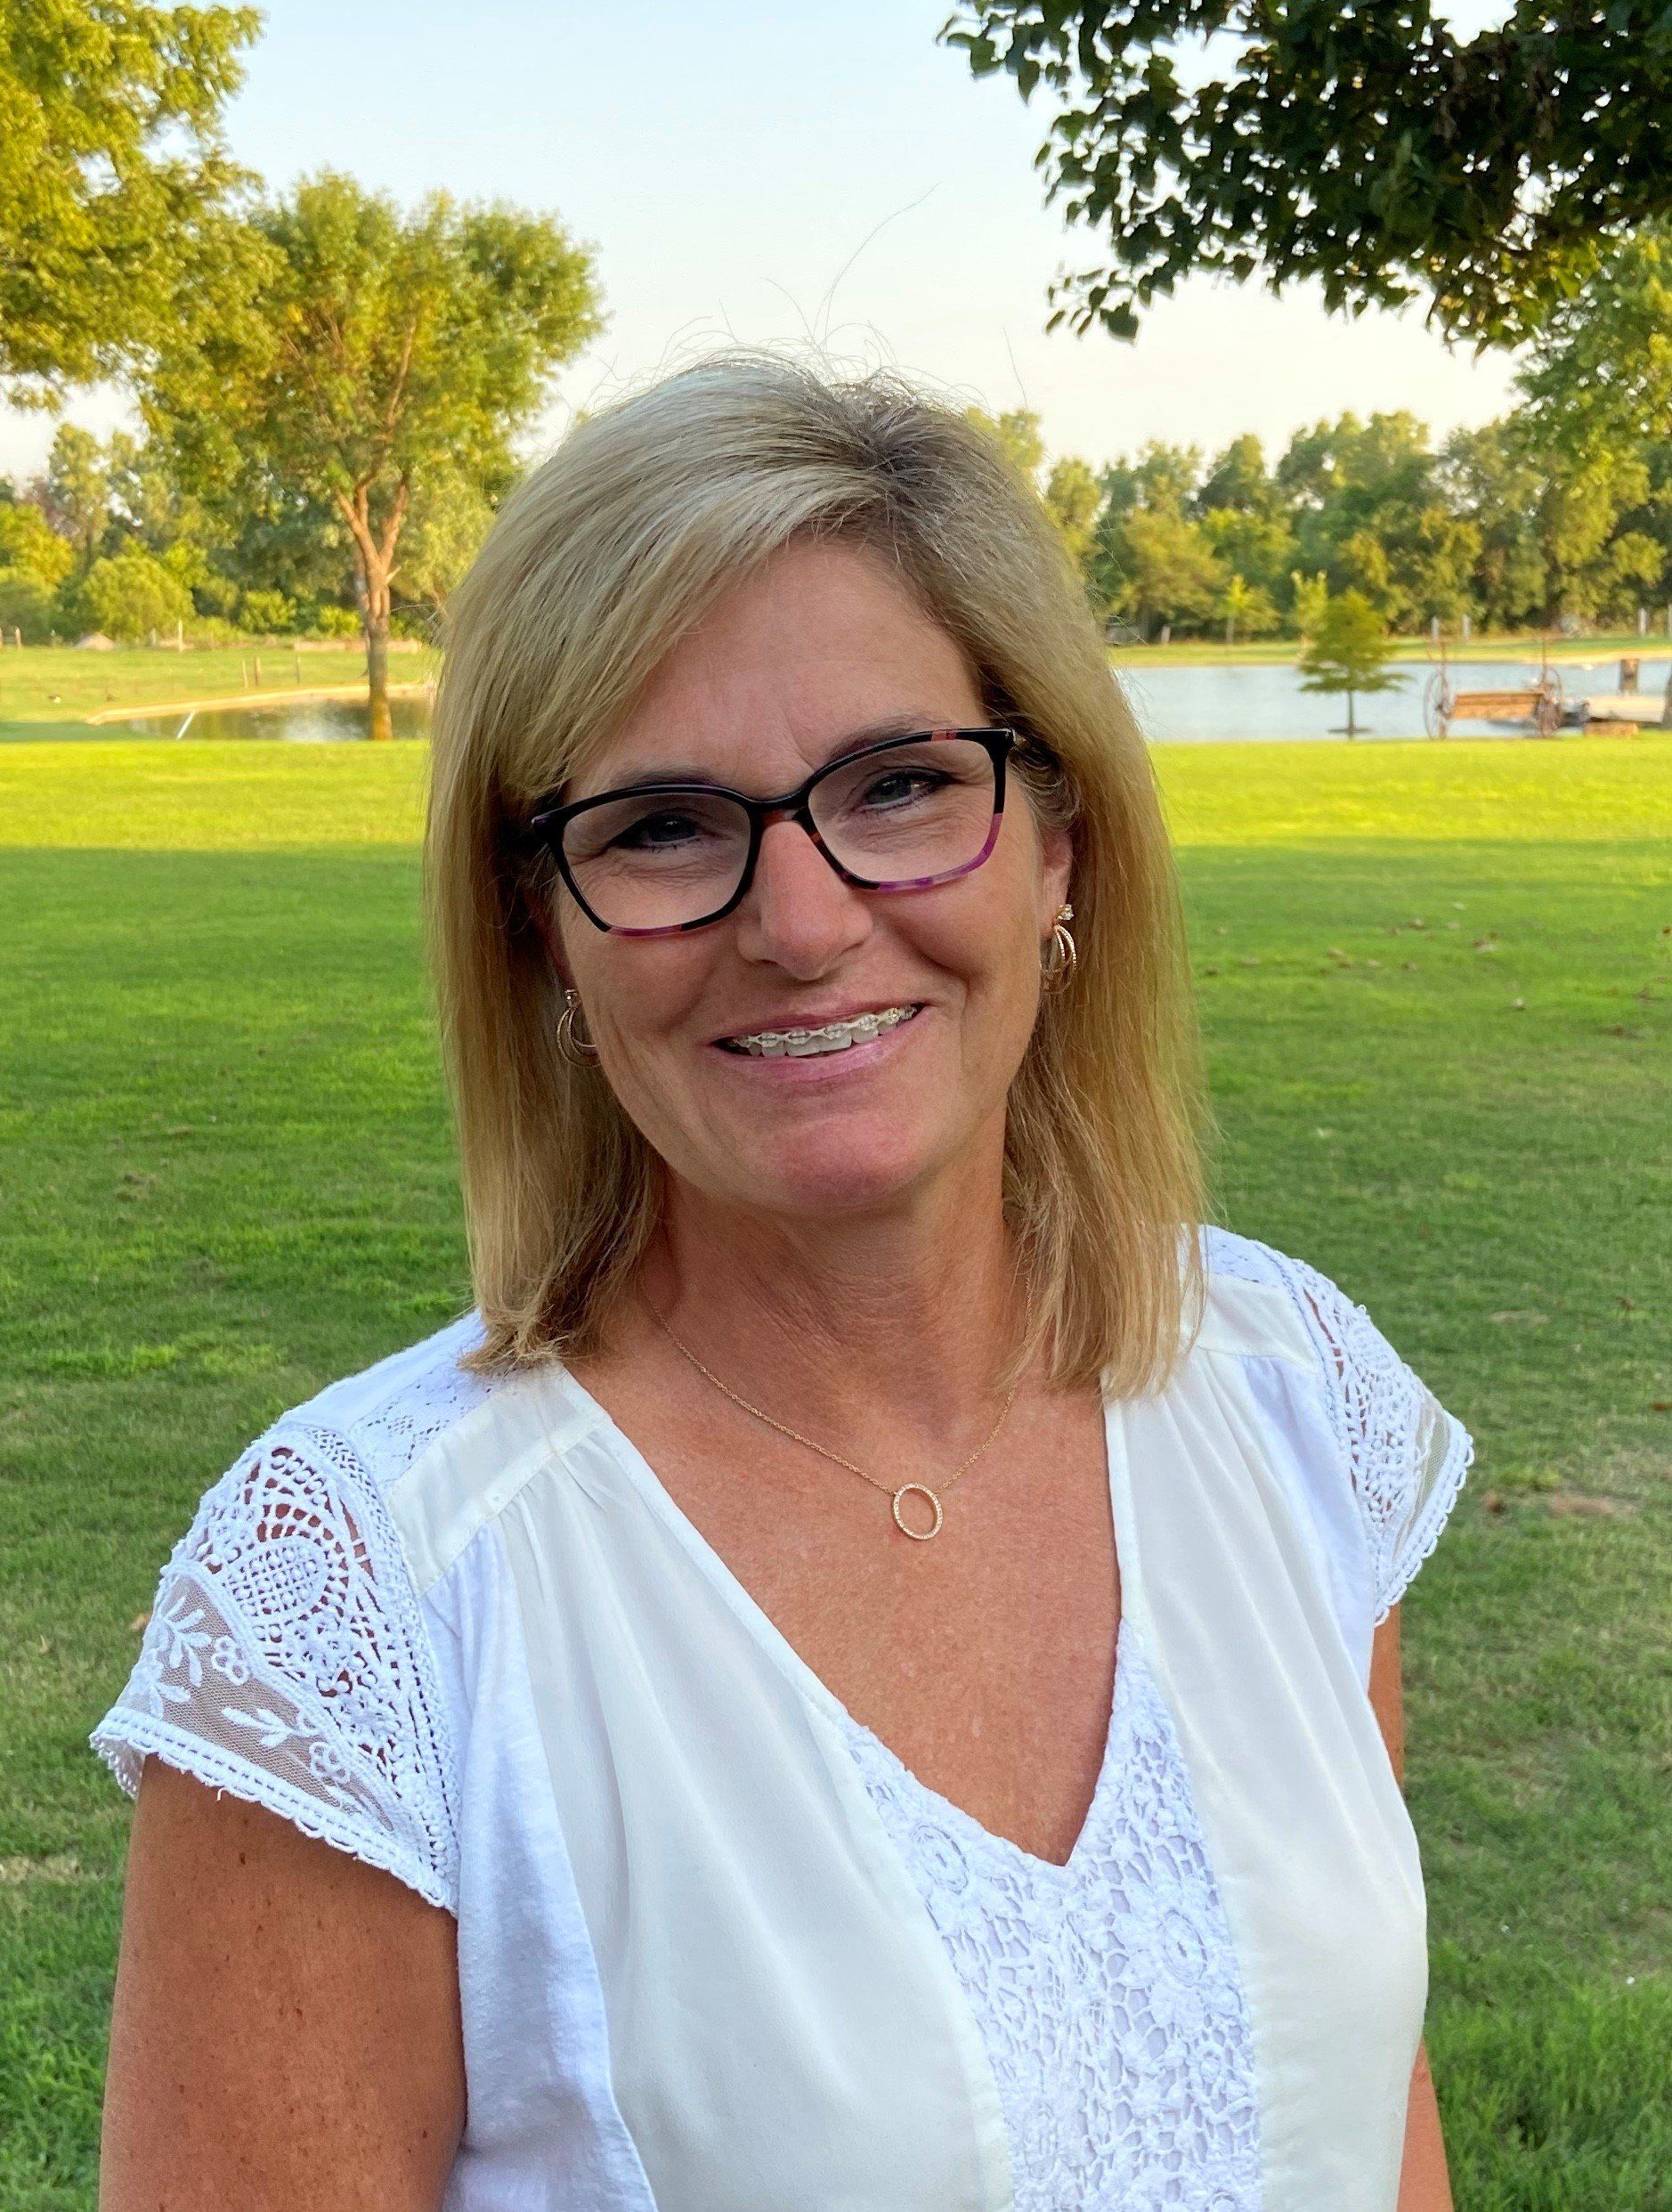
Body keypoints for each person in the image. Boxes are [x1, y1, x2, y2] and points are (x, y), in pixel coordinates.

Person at [91, 351, 1472, 2212]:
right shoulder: (371, 1610)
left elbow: (1369, 2108)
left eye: (901, 785)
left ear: (1060, 842)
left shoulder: (1292, 1396)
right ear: (544, 934)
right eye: (661, 827)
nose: (805, 924)